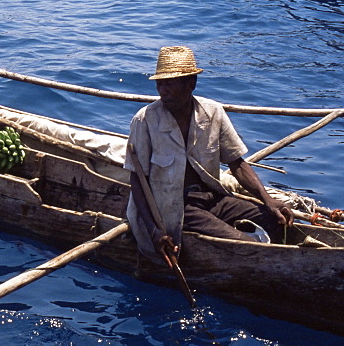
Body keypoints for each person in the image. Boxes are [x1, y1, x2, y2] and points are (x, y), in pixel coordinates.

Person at [125, 46, 293, 265]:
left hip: (212, 198)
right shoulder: (145, 120)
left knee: (274, 220)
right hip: (176, 207)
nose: (162, 90)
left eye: (169, 83)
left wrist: (268, 200)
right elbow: (137, 180)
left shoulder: (212, 112)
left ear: (191, 83)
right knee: (242, 244)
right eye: (160, 83)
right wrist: (154, 230)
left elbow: (237, 163)